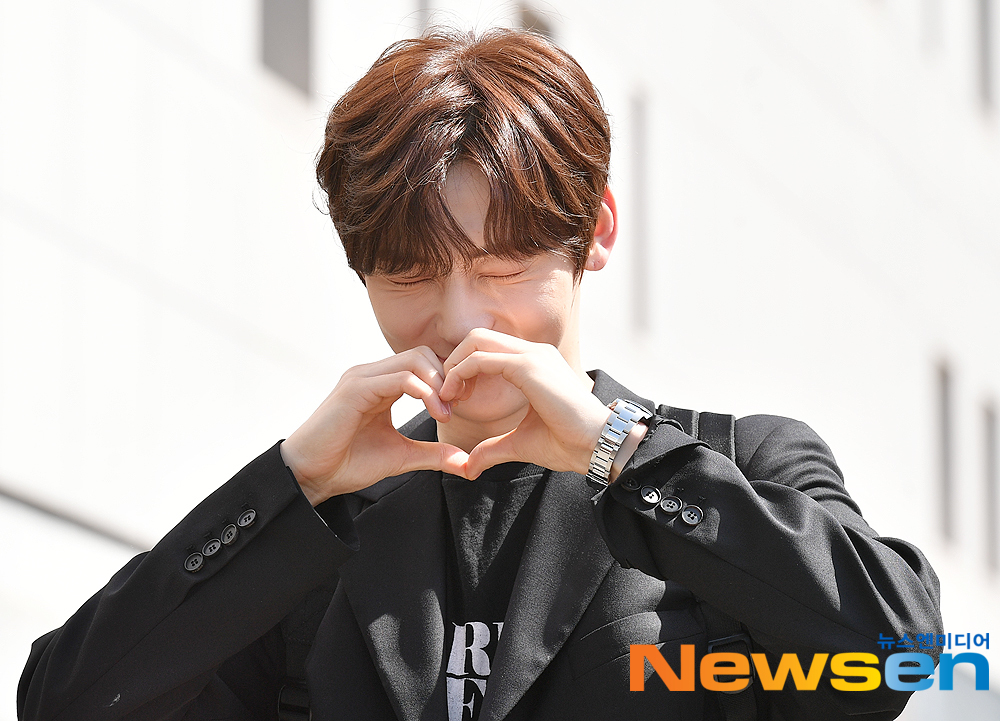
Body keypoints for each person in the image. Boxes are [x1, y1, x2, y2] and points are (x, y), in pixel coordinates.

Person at [18, 28, 941, 721]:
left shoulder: (734, 460)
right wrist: (294, 484)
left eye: (503, 266)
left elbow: (898, 651)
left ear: (598, 233)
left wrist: (622, 454)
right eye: (410, 273)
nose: (460, 321)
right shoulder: (321, 528)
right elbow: (69, 703)